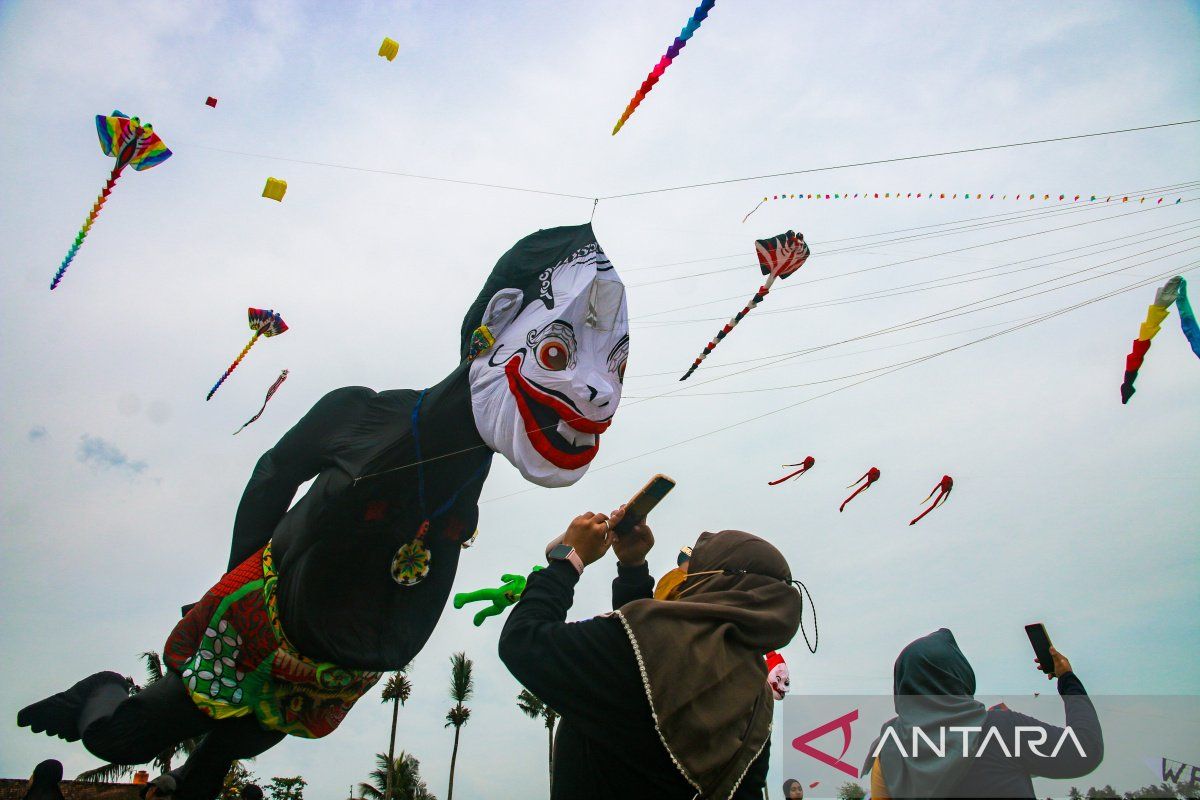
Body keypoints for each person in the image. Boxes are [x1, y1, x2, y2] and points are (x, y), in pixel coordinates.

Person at [18, 224, 631, 800]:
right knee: (125, 739)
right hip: (263, 627)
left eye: (614, 365)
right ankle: (98, 694)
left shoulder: (472, 468)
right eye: (556, 354)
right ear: (496, 325)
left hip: (335, 667)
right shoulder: (363, 415)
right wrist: (238, 578)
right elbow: (272, 474)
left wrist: (566, 555)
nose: (599, 389)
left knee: (236, 747)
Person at [499, 507, 803, 800]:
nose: (687, 578)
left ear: (722, 581)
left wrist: (570, 559)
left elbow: (523, 641)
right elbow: (646, 668)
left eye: (697, 569)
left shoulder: (651, 644)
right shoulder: (756, 696)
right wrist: (633, 570)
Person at [863, 628, 1103, 798]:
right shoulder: (1003, 731)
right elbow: (1085, 750)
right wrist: (1067, 680)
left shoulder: (888, 749)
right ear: (960, 675)